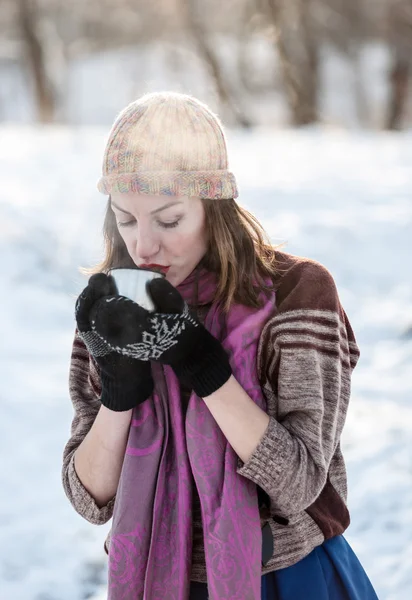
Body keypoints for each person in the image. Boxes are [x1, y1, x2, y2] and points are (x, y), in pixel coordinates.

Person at [62, 91, 379, 600]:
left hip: (286, 580)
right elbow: (90, 497)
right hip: (155, 579)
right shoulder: (114, 307)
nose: (143, 246)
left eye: (168, 220)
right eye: (125, 219)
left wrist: (204, 367)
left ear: (215, 207)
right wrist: (120, 393)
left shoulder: (297, 296)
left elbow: (300, 485)